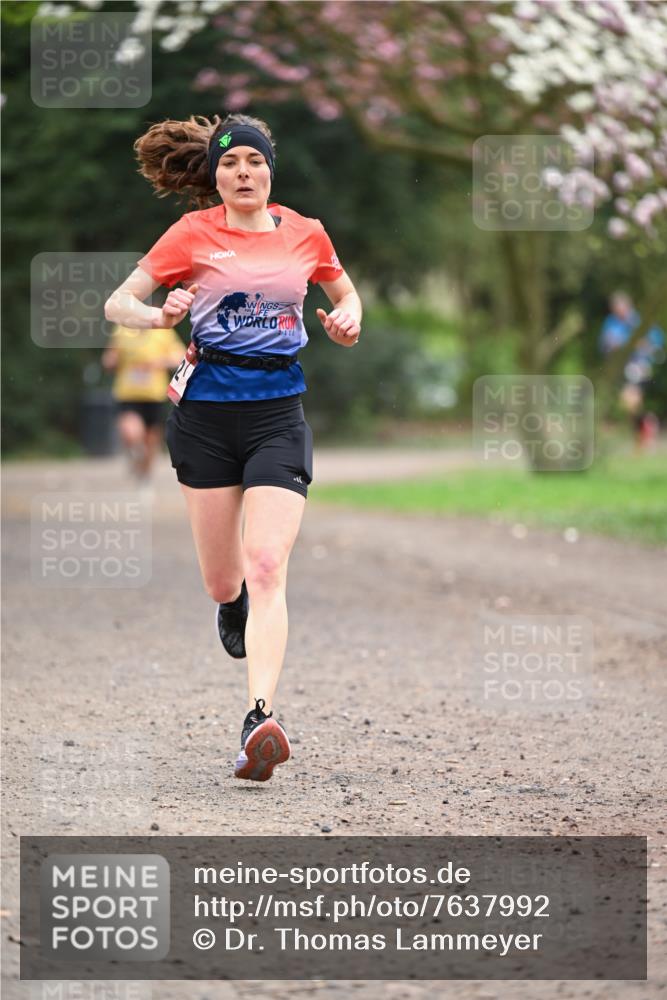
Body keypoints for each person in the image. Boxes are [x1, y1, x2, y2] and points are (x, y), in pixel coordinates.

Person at [104, 113, 362, 782]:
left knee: (269, 562)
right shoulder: (191, 234)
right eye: (229, 163)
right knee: (226, 580)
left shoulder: (305, 233)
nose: (242, 172)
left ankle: (259, 718)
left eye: (253, 160)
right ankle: (231, 603)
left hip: (278, 413)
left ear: (269, 169)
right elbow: (117, 304)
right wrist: (155, 315)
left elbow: (343, 289)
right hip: (206, 419)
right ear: (214, 176)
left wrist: (346, 321)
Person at [101, 323, 185, 482]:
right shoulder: (122, 331)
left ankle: (144, 474)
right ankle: (135, 450)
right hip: (127, 393)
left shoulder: (163, 332)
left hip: (154, 395)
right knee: (131, 431)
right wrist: (111, 361)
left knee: (151, 441)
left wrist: (159, 362)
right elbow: (109, 358)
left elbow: (180, 356)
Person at [599, 291, 665, 448]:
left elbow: (657, 341)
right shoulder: (611, 322)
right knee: (628, 405)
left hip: (639, 366)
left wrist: (643, 345)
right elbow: (603, 345)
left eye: (620, 308)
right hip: (621, 368)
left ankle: (645, 428)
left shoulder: (638, 321)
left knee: (629, 400)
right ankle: (648, 424)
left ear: (628, 307)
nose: (618, 312)